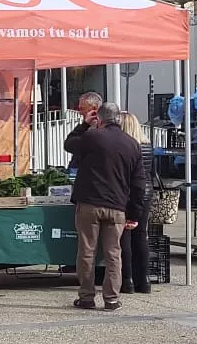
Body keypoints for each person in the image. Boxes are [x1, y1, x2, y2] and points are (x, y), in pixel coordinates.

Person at [63, 103, 144, 311]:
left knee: (87, 251)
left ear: (99, 118)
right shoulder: (133, 144)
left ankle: (87, 297)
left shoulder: (92, 137)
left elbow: (69, 144)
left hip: (89, 204)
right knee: (113, 254)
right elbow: (138, 184)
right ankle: (111, 299)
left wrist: (83, 125)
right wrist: (134, 213)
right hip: (117, 206)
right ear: (118, 118)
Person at [119, 113, 155, 296]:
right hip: (146, 193)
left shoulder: (126, 148)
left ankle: (128, 280)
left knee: (124, 237)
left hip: (127, 194)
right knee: (141, 236)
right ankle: (145, 280)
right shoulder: (148, 145)